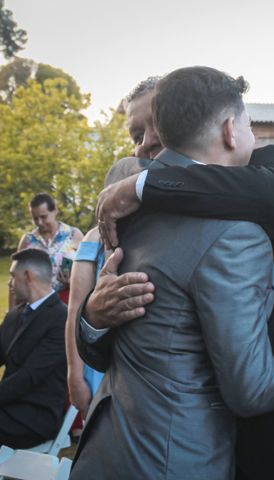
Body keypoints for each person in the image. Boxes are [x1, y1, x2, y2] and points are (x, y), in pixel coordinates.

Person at [70, 67, 274, 479]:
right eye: (136, 134)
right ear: (229, 129)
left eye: (154, 127)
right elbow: (245, 387)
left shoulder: (134, 203)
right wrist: (93, 317)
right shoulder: (138, 220)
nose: (146, 142)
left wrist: (142, 186)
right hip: (169, 454)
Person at [65, 157, 152, 418]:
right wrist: (75, 376)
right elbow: (74, 312)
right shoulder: (93, 240)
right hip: (99, 362)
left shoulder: (150, 232)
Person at [0, 248, 67, 448]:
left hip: (35, 417)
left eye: (13, 276)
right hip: (7, 408)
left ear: (28, 275)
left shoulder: (61, 318)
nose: (9, 283)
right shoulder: (14, 315)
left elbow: (29, 377)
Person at [14, 193, 82, 306]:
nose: (39, 222)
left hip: (67, 301)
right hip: (35, 304)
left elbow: (88, 270)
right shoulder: (27, 240)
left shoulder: (74, 235)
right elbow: (16, 276)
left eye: (43, 217)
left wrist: (71, 282)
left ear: (55, 211)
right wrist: (13, 313)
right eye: (35, 218)